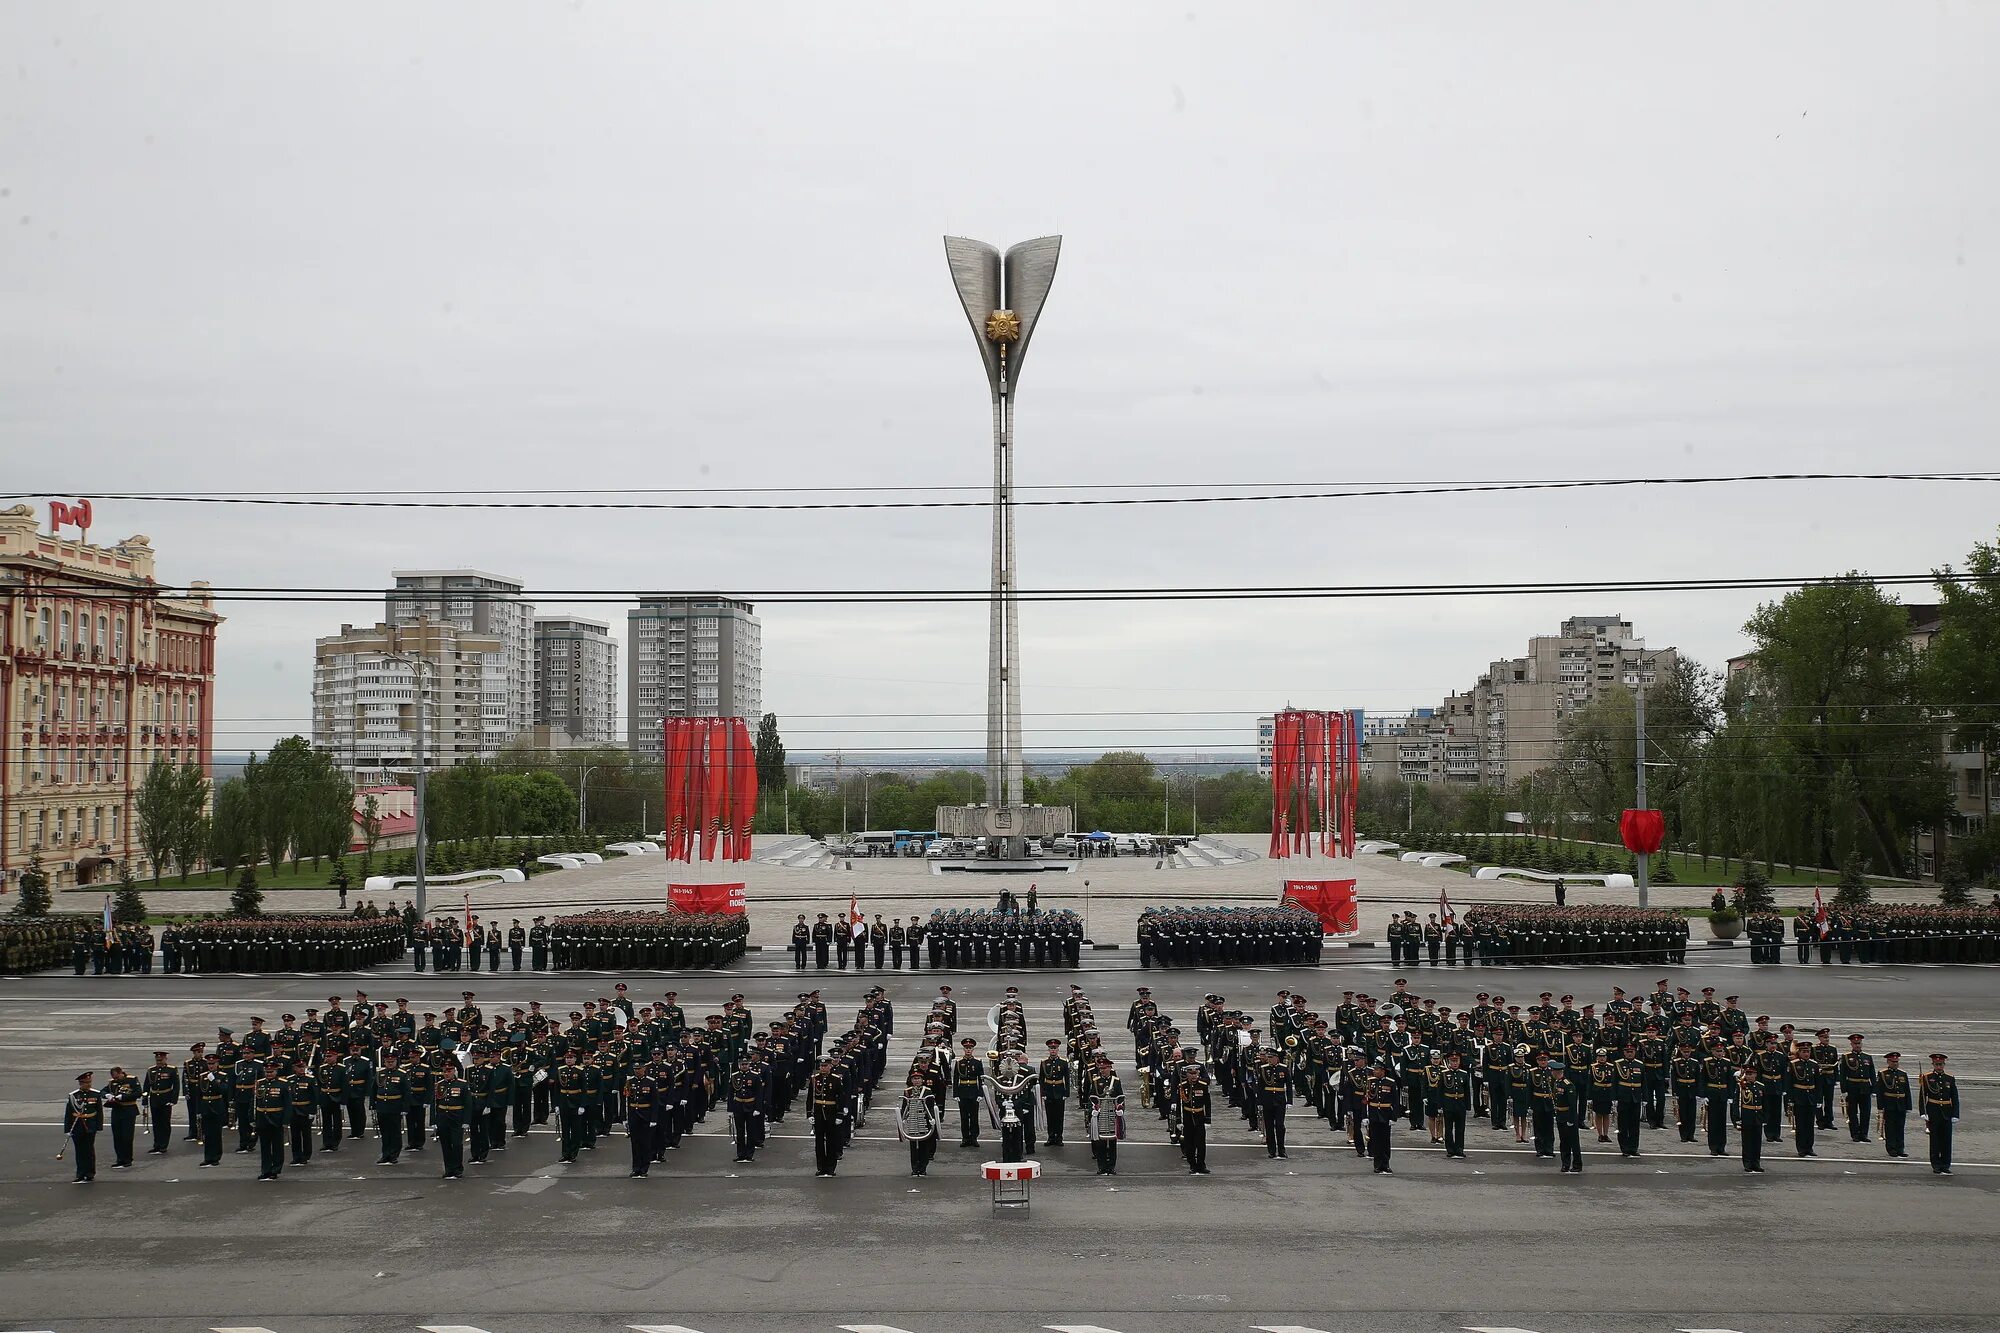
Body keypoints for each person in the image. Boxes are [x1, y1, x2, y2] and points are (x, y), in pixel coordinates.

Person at [62, 1072, 105, 1183]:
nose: (88, 1084)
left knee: (89, 1150)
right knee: (80, 1151)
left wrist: (98, 1126)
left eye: (89, 1082)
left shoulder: (95, 1094)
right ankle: (80, 1173)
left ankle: (90, 1173)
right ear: (81, 1083)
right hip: (78, 1126)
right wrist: (67, 1129)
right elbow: (68, 1113)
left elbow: (99, 1111)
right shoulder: (73, 1096)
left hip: (90, 1125)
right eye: (86, 1083)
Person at [1923, 1053, 1960, 1175]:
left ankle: (1945, 1164)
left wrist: (1955, 1114)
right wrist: (1923, 1112)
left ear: (1944, 1064)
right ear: (1933, 1064)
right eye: (1936, 1064)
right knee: (1935, 1140)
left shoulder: (1949, 1078)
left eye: (1941, 1064)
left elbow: (1954, 1097)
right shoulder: (1927, 1077)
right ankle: (1936, 1165)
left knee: (1946, 1140)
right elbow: (1923, 1097)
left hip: (1946, 1112)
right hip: (1933, 1112)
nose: (1939, 1067)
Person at [1087, 1056, 1124, 1176]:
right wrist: (1094, 1109)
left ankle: (1111, 1167)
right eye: (1100, 1068)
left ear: (1109, 1068)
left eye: (1104, 1068)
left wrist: (1120, 1109)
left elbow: (1121, 1097)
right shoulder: (1096, 1081)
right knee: (1100, 1143)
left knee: (1112, 1142)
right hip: (1101, 1114)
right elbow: (1092, 1096)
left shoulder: (1116, 1081)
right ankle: (1102, 1167)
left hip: (1112, 1114)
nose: (1102, 1070)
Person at [253, 1065, 291, 1180]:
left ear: (276, 1071)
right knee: (264, 1146)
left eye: (271, 1072)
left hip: (276, 1118)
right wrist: (252, 1118)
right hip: (262, 1118)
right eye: (267, 1072)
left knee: (277, 1146)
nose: (269, 1074)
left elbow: (288, 1105)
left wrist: (285, 1121)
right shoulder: (259, 1083)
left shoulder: (283, 1084)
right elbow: (254, 1102)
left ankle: (275, 1169)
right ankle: (265, 1170)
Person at [810, 1055, 844, 1177]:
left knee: (831, 1141)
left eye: (825, 1066)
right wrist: (809, 1113)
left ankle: (830, 1168)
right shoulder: (815, 1078)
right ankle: (821, 1167)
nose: (823, 1068)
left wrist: (840, 1114)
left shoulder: (835, 1079)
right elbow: (810, 1098)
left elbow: (841, 1097)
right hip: (819, 1113)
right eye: (821, 1066)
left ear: (830, 1066)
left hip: (831, 1112)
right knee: (819, 1142)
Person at [433, 1062, 468, 1180]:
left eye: (449, 1071)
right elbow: (436, 1104)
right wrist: (434, 1120)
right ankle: (448, 1169)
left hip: (457, 1116)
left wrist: (466, 1120)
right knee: (446, 1144)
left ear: (454, 1071)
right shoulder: (439, 1085)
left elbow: (468, 1104)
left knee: (457, 1144)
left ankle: (458, 1168)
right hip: (443, 1117)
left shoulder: (462, 1085)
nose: (447, 1074)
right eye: (445, 1071)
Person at [1365, 1061, 1400, 1174]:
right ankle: (1377, 1164)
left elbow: (1395, 1102)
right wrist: (1364, 1116)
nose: (1374, 1071)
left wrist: (1394, 1117)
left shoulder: (1391, 1083)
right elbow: (1365, 1100)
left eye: (1377, 1069)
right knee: (1375, 1140)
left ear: (1383, 1071)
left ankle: (1386, 1164)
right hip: (1374, 1113)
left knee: (1385, 1140)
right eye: (1374, 1069)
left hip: (1385, 1114)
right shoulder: (1370, 1082)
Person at [102, 1065, 140, 1169]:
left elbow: (138, 1093)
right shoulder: (112, 1083)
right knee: (117, 1137)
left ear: (121, 1073)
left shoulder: (132, 1080)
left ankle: (127, 1159)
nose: (116, 1080)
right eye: (114, 1078)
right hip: (117, 1111)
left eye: (117, 1077)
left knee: (127, 1137)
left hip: (128, 1110)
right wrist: (107, 1095)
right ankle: (120, 1159)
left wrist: (123, 1097)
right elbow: (102, 1091)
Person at [143, 1051, 180, 1156]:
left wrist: (173, 1100)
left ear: (165, 1059)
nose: (159, 1062)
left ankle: (163, 1145)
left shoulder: (171, 1070)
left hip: (166, 1098)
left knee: (164, 1123)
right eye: (157, 1060)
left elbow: (176, 1086)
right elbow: (146, 1087)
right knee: (156, 1123)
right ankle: (157, 1145)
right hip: (154, 1099)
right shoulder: (151, 1070)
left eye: (161, 1060)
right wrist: (145, 1100)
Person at [1876, 1051, 1911, 1158]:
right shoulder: (1883, 1074)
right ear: (1888, 1061)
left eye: (1896, 1061)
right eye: (1893, 1061)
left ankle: (1900, 1148)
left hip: (1901, 1104)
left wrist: (1908, 1106)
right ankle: (1891, 1148)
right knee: (1890, 1128)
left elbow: (1907, 1091)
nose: (1895, 1063)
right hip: (1889, 1104)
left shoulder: (1903, 1074)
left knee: (1900, 1127)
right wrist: (1880, 1107)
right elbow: (1880, 1091)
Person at [1179, 1058, 1211, 1174]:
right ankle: (1192, 1165)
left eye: (1195, 1074)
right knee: (1189, 1144)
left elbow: (1207, 1103)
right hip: (1188, 1118)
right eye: (1190, 1074)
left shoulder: (1202, 1085)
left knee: (1201, 1143)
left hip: (1199, 1117)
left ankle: (1201, 1165)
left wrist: (1208, 1120)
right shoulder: (1183, 1086)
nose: (1193, 1076)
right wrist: (1178, 1120)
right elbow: (1180, 1104)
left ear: (1198, 1074)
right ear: (1187, 1075)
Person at [953, 1038, 984, 1148]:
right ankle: (965, 1137)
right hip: (963, 1092)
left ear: (973, 1049)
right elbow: (955, 1079)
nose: (968, 1050)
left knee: (974, 1116)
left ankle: (974, 1137)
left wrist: (981, 1093)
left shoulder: (977, 1062)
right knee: (964, 1117)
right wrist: (956, 1094)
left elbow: (981, 1079)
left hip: (973, 1091)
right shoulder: (959, 1063)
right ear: (964, 1049)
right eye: (966, 1048)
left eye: (970, 1048)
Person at [1737, 1067, 1765, 1173]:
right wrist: (1737, 1118)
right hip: (1747, 1115)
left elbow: (1765, 1103)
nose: (1750, 1076)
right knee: (1747, 1141)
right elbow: (1737, 1103)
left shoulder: (1760, 1086)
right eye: (1748, 1074)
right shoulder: (1741, 1086)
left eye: (1752, 1074)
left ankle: (1756, 1163)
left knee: (1757, 1141)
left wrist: (1765, 1118)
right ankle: (1747, 1163)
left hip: (1758, 1116)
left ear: (1756, 1075)